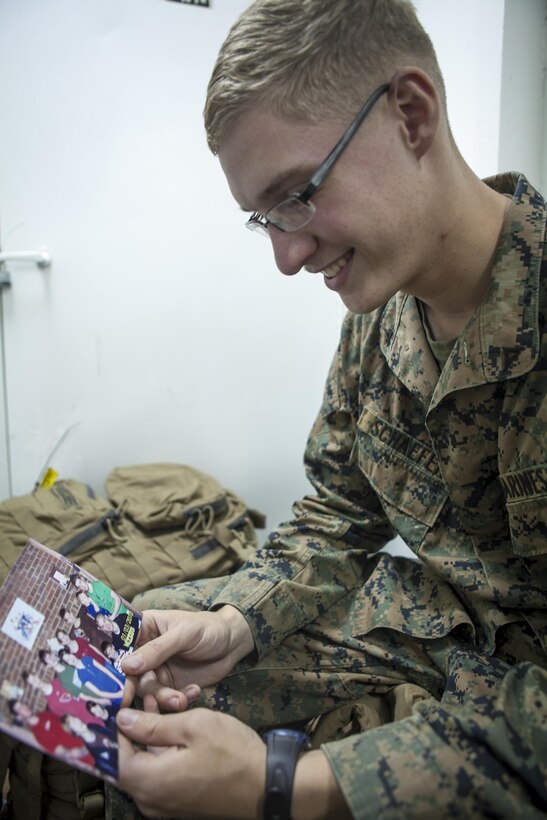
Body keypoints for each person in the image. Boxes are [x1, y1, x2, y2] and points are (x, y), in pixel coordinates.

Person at [115, 1, 547, 818]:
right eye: (265, 219)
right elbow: (339, 510)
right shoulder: (378, 317)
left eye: (299, 196)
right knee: (140, 658)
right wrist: (239, 619)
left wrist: (284, 786)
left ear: (411, 115)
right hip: (438, 636)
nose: (286, 256)